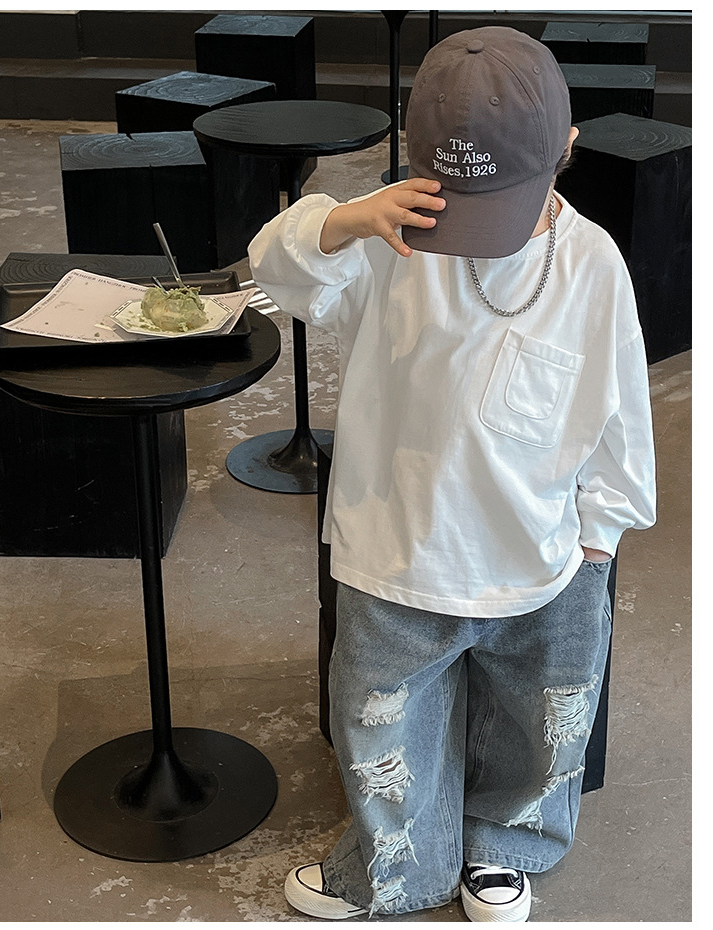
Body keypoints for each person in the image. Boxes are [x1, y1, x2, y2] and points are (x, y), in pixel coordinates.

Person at [248, 26, 657, 923]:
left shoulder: (591, 263)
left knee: (540, 719)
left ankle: (507, 843)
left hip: (543, 549)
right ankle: (402, 862)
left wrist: (603, 527)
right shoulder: (388, 240)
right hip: (395, 546)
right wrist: (341, 220)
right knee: (383, 720)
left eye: (499, 202)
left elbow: (621, 405)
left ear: (568, 148)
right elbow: (274, 271)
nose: (474, 233)